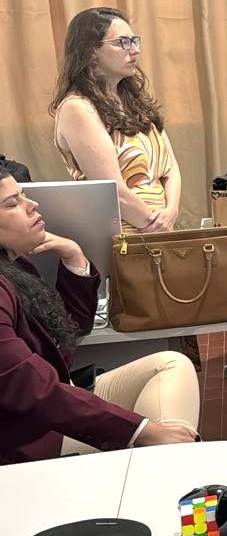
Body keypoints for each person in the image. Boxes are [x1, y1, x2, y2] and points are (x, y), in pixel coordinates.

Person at [0, 166, 199, 464]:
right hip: (30, 437)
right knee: (164, 439)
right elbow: (32, 389)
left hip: (52, 407)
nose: (32, 205)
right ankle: (171, 466)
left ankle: (164, 463)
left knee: (171, 364)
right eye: (12, 204)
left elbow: (72, 330)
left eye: (24, 195)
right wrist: (142, 431)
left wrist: (73, 254)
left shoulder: (15, 266)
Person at [50, 7, 181, 234]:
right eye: (123, 43)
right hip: (123, 236)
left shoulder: (136, 101)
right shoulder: (77, 108)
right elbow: (114, 192)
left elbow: (171, 169)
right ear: (91, 51)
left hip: (161, 229)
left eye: (134, 41)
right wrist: (158, 228)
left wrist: (171, 212)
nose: (135, 50)